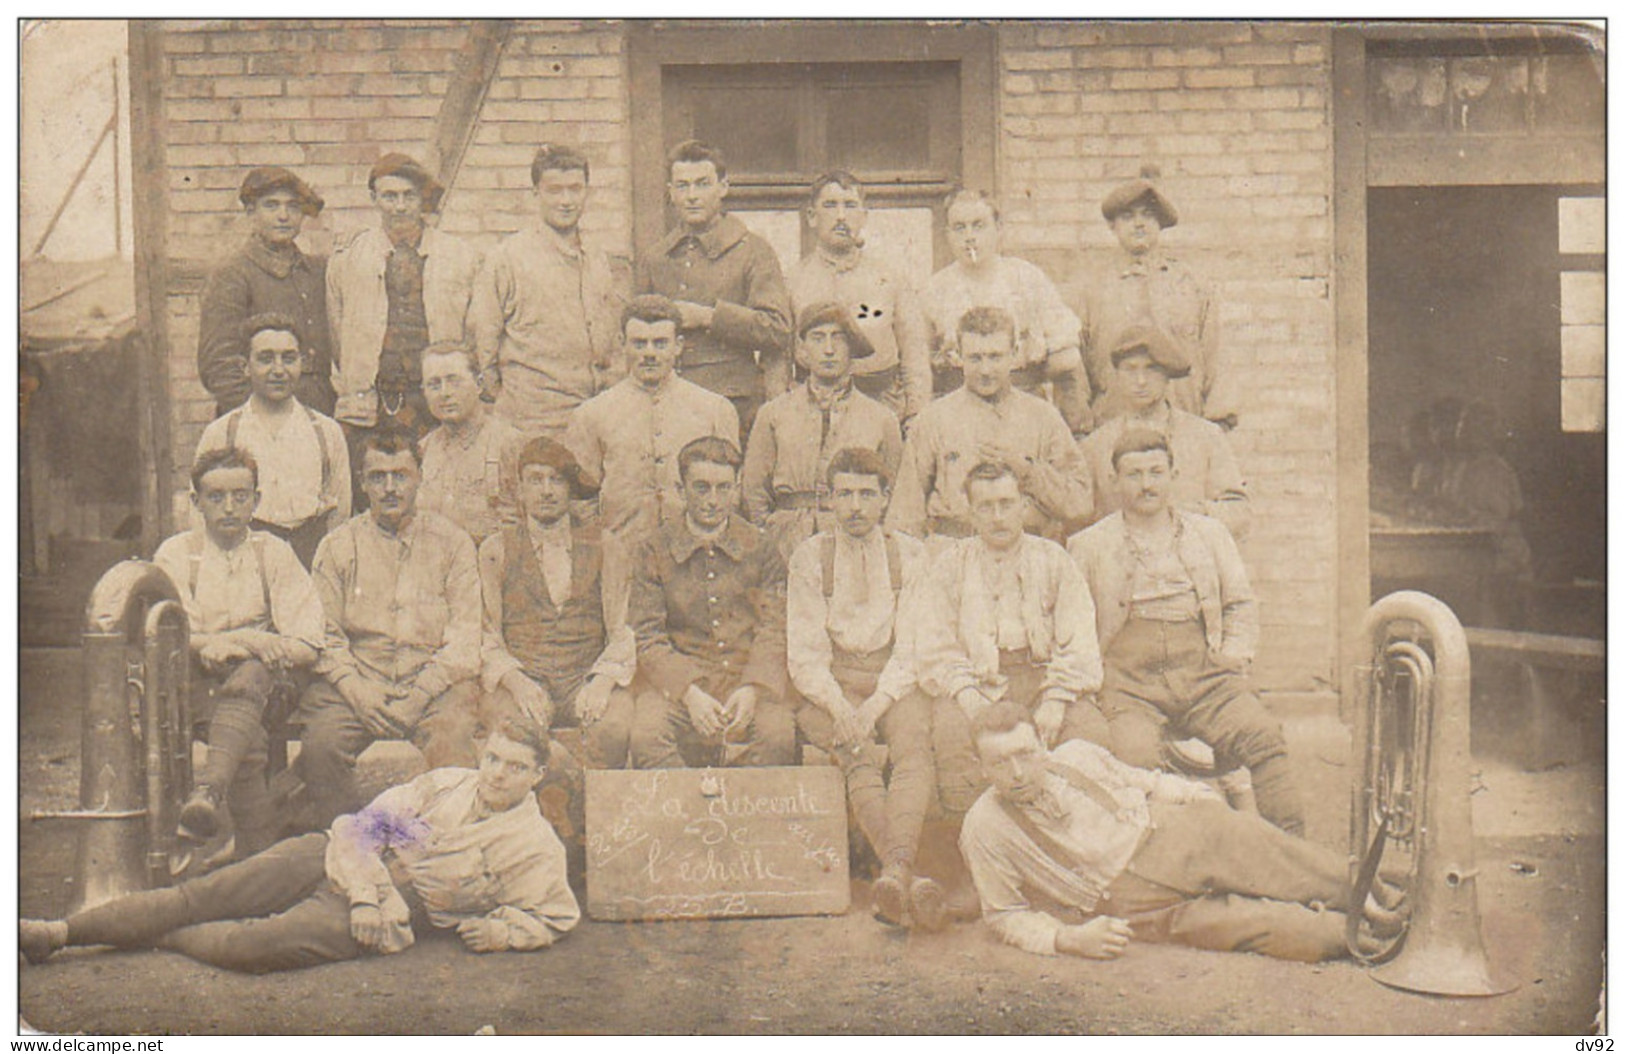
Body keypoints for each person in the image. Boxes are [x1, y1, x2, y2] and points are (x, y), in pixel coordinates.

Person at [20, 718, 579, 974]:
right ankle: (61, 933)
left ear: (537, 776)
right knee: (207, 892)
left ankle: (155, 935)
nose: (497, 774)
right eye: (493, 759)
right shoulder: (447, 783)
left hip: (393, 910)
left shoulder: (535, 847)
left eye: (516, 767)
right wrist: (362, 889)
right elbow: (366, 824)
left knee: (253, 947)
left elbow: (555, 914)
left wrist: (504, 931)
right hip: (338, 858)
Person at [958, 702, 1395, 963]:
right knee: (1293, 932)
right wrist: (1069, 939)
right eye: (999, 763)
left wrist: (1198, 800)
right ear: (980, 767)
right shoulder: (984, 828)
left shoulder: (1076, 755)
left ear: (1042, 746)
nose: (1016, 773)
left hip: (1169, 832)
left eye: (1025, 754)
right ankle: (1374, 938)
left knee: (1292, 863)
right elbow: (1002, 914)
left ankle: (1396, 905)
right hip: (1136, 901)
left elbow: (1147, 782)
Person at [1068, 429, 1303, 835]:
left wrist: (1233, 657)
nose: (1146, 485)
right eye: (1134, 474)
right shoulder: (1088, 545)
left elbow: (1239, 604)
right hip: (1128, 681)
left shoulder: (1209, 534)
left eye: (1156, 472)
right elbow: (1075, 626)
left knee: (1263, 735)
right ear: (1114, 481)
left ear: (1174, 475)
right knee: (1132, 756)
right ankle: (1162, 867)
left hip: (1203, 672)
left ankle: (1293, 852)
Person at [296, 428, 482, 829]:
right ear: (362, 484)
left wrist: (419, 696)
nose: (390, 488)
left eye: (401, 475)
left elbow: (466, 641)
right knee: (320, 747)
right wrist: (356, 690)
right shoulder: (338, 546)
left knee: (455, 744)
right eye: (378, 477)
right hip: (359, 682)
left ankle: (445, 851)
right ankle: (348, 847)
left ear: (420, 477)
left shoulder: (453, 544)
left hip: (434, 685)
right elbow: (323, 635)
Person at [787, 448, 942, 929]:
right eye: (844, 494)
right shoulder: (811, 556)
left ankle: (895, 871)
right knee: (853, 749)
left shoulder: (910, 554)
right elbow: (806, 654)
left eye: (866, 495)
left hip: (892, 680)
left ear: (885, 499)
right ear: (827, 499)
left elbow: (914, 646)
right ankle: (904, 875)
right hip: (828, 684)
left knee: (913, 747)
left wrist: (875, 706)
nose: (855, 506)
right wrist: (841, 707)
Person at [153, 449, 325, 856]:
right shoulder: (177, 555)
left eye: (241, 496)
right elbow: (170, 633)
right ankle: (256, 857)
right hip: (198, 686)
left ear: (256, 500)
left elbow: (308, 641)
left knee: (251, 675)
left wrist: (244, 647)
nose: (229, 508)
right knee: (245, 742)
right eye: (215, 497)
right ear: (196, 502)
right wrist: (239, 641)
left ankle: (209, 791)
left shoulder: (274, 553)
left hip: (269, 690)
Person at [918, 460, 1108, 819]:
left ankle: (1074, 848)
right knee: (953, 742)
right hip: (976, 682)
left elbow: (1079, 638)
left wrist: (1057, 697)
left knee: (1089, 734)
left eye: (1006, 504)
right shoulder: (949, 565)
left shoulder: (1054, 559)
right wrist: (967, 694)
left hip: (1044, 679)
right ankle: (978, 853)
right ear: (970, 512)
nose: (997, 516)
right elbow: (935, 644)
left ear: (1024, 505)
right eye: (986, 507)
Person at [627, 437, 795, 769]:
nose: (713, 501)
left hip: (745, 681)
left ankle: (746, 817)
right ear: (680, 488)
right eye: (701, 488)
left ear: (736, 489)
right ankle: (684, 817)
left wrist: (752, 688)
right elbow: (647, 636)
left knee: (778, 736)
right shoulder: (654, 548)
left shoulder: (761, 547)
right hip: (680, 686)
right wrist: (688, 692)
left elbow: (774, 628)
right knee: (647, 736)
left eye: (723, 488)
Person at [478, 437, 637, 768]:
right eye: (535, 480)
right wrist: (517, 682)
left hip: (585, 675)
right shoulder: (496, 550)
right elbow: (487, 633)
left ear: (570, 489)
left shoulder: (605, 546)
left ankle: (596, 818)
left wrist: (601, 681)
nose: (546, 491)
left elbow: (623, 627)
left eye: (557, 480)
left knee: (614, 727)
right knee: (515, 735)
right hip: (524, 678)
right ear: (519, 489)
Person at [327, 153, 484, 477]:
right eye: (389, 196)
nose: (399, 207)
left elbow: (475, 333)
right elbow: (335, 330)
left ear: (421, 198)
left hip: (435, 402)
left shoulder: (461, 257)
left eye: (408, 196)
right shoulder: (348, 259)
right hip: (371, 403)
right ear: (374, 199)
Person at [888, 306, 1091, 544]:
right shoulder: (933, 419)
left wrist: (1027, 471)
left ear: (1014, 353)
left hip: (1024, 550)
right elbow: (904, 515)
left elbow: (1080, 504)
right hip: (954, 552)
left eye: (995, 357)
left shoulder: (1043, 417)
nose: (985, 370)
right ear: (958, 356)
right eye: (975, 358)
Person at [468, 143, 631, 439]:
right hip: (531, 423)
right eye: (555, 190)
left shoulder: (597, 258)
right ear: (536, 193)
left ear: (586, 191)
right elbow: (483, 349)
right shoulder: (507, 259)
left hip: (594, 419)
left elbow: (612, 340)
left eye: (575, 189)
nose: (566, 201)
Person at [636, 139, 793, 438]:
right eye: (682, 186)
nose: (692, 196)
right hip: (667, 403)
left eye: (702, 184)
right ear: (670, 193)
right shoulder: (656, 257)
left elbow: (778, 329)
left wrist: (709, 317)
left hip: (733, 403)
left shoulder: (753, 251)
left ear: (723, 187)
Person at [563, 295, 739, 542]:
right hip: (622, 551)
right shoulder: (591, 414)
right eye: (639, 343)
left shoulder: (715, 410)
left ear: (678, 345)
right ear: (622, 343)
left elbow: (729, 495)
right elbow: (581, 500)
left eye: (659, 343)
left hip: (693, 554)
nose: (649, 353)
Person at [742, 301, 904, 560]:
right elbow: (753, 490)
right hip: (785, 541)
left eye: (838, 339)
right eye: (818, 339)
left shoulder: (882, 419)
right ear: (802, 350)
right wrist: (768, 536)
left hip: (854, 540)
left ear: (851, 348)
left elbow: (893, 494)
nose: (828, 350)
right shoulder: (773, 413)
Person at [922, 189, 1088, 432]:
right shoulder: (935, 289)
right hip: (960, 411)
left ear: (999, 229)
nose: (969, 237)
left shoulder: (1027, 278)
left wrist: (1029, 366)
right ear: (947, 234)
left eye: (979, 225)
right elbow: (920, 363)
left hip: (1023, 405)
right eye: (959, 228)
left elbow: (1067, 357)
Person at [1081, 164, 1232, 429]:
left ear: (1159, 223)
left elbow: (1216, 355)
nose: (1139, 224)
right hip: (1114, 428)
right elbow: (1076, 370)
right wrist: (1081, 428)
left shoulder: (1192, 286)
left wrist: (1218, 420)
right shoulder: (1092, 290)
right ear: (1112, 225)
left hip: (1184, 424)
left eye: (1148, 216)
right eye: (1128, 216)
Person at [195, 314, 351, 567]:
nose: (278, 370)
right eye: (266, 359)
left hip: (310, 562)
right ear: (245, 366)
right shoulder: (222, 434)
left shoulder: (326, 432)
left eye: (288, 359)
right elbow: (201, 517)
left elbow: (340, 515)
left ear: (301, 363)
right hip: (245, 562)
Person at [785, 171, 931, 426]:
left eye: (850, 206)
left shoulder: (890, 278)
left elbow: (914, 350)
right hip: (812, 409)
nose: (841, 216)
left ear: (863, 216)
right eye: (830, 205)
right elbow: (780, 358)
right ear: (811, 216)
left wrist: (916, 411)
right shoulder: (793, 280)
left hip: (882, 404)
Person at [1078, 325, 1249, 539]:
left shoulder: (1205, 437)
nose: (1140, 381)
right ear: (1117, 376)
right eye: (1130, 369)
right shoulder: (1096, 446)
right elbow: (1081, 523)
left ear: (1167, 375)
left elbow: (1239, 514)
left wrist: (1192, 513)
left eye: (1151, 369)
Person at [197, 167, 335, 417]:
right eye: (271, 206)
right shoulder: (233, 275)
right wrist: (262, 419)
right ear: (252, 213)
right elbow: (219, 367)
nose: (283, 216)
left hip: (321, 414)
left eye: (293, 207)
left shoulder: (318, 272)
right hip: (261, 417)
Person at [416, 341, 522, 548]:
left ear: (479, 384)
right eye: (434, 385)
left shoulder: (510, 444)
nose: (445, 393)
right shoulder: (423, 450)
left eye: (454, 381)